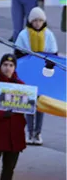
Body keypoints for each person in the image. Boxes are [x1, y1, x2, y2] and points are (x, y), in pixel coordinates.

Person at [14, 8, 57, 145]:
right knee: (29, 104)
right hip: (29, 73)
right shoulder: (23, 35)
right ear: (30, 21)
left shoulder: (49, 35)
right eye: (35, 21)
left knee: (39, 104)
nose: (37, 23)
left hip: (42, 74)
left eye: (40, 20)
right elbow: (18, 54)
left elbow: (54, 54)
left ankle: (38, 133)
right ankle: (30, 132)